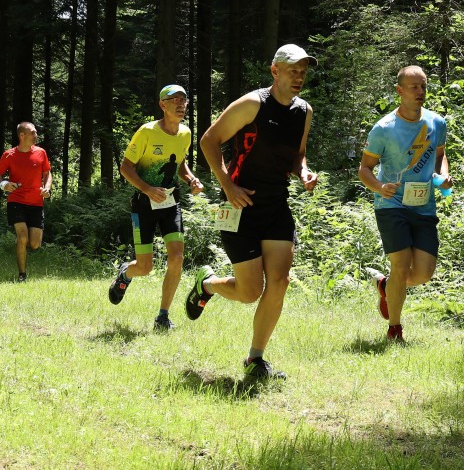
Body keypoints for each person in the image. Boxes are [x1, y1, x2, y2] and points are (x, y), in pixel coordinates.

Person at [185, 44, 318, 380]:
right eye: (292, 70)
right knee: (249, 292)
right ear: (275, 71)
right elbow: (209, 141)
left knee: (280, 281)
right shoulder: (252, 104)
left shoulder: (304, 111)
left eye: (303, 71)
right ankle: (208, 284)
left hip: (276, 206)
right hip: (238, 206)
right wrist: (227, 186)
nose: (299, 77)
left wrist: (303, 172)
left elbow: (298, 154)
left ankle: (255, 360)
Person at [358, 66, 452, 342]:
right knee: (401, 265)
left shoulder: (437, 123)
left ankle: (387, 285)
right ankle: (395, 330)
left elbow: (439, 156)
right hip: (392, 205)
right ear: (399, 91)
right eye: (413, 87)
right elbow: (364, 169)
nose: (420, 92)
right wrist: (379, 187)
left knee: (423, 273)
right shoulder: (384, 129)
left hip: (424, 206)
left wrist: (443, 177)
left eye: (423, 86)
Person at [109, 84, 204, 330]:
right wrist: (148, 189)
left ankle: (163, 316)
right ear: (163, 105)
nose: (181, 104)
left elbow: (180, 166)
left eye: (184, 100)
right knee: (145, 266)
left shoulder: (185, 133)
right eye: (175, 100)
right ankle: (125, 274)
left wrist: (191, 179)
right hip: (144, 204)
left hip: (171, 203)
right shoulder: (147, 132)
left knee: (177, 257)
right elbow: (125, 167)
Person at [0, 122, 52, 282]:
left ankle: (21, 243)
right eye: (33, 133)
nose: (36, 135)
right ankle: (22, 275)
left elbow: (47, 174)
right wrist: (4, 185)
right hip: (16, 200)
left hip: (36, 203)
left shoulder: (41, 153)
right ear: (22, 136)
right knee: (23, 238)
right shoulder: (8, 155)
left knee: (34, 244)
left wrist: (47, 188)